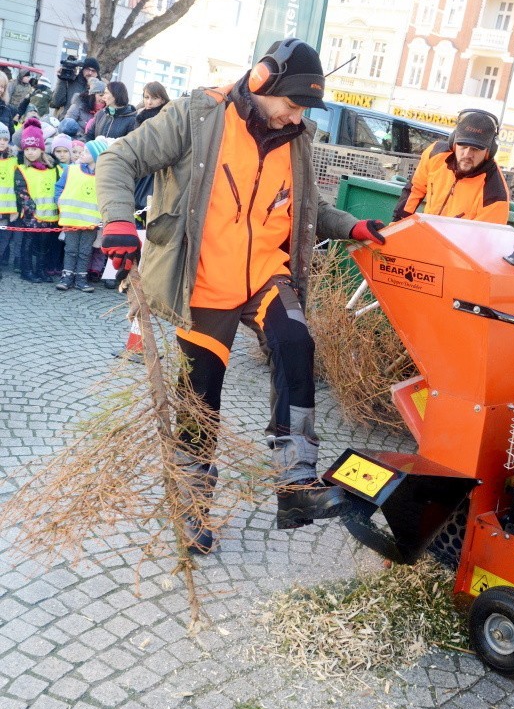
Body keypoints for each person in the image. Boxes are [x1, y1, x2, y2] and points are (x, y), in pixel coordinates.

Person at [96, 37, 386, 552]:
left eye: (303, 109)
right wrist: (118, 220)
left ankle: (296, 483)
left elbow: (307, 206)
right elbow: (118, 160)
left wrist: (354, 227)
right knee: (200, 398)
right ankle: (192, 508)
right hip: (205, 281)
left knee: (296, 344)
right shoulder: (196, 116)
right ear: (260, 81)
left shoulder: (294, 136)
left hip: (264, 276)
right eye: (291, 103)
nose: (295, 116)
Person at [392, 110, 510, 224]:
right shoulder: (434, 154)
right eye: (463, 146)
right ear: (453, 143)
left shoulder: (495, 194)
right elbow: (415, 189)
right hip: (427, 233)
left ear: (489, 152)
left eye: (476, 149)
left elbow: (482, 241)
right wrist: (396, 224)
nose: (467, 154)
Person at [55, 138, 108, 292]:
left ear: (96, 156)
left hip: (91, 221)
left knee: (85, 251)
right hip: (72, 218)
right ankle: (67, 277)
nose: (81, 154)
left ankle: (81, 278)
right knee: (70, 249)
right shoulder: (72, 169)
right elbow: (59, 187)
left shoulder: (103, 176)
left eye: (86, 151)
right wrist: (59, 202)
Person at [15, 117, 58, 283]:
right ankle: (27, 270)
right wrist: (31, 210)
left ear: (41, 149)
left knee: (44, 244)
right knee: (28, 243)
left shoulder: (51, 168)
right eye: (27, 149)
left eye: (34, 148)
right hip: (31, 215)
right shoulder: (22, 169)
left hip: (48, 214)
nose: (30, 152)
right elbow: (22, 192)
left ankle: (40, 269)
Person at [134, 82, 170, 226]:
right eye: (146, 97)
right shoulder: (140, 115)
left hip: (156, 167)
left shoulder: (166, 116)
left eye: (154, 98)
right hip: (141, 164)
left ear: (162, 99)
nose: (149, 102)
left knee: (148, 207)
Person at [0, 124, 18, 279]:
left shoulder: (13, 161)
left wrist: (14, 210)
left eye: (5, 139)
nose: (2, 142)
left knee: (3, 240)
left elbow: (15, 187)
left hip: (6, 210)